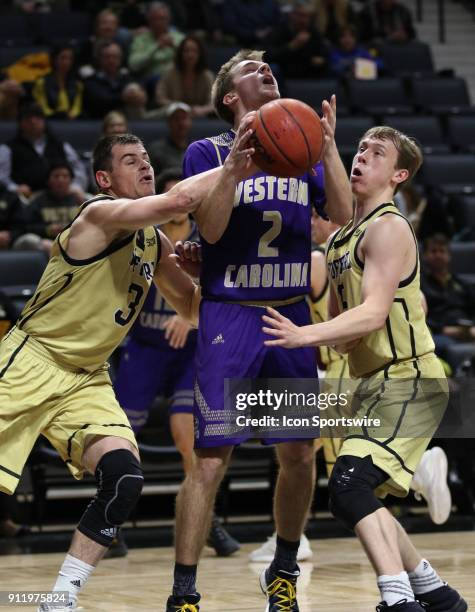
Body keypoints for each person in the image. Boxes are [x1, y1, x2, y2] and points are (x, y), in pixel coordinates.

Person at [0, 124, 257, 612]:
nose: (144, 165)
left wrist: (217, 277)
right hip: (30, 361)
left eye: (145, 156)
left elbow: (192, 308)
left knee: (124, 476)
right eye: (131, 160)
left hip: (86, 378)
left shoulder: (155, 244)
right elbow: (176, 201)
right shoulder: (97, 215)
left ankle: (60, 598)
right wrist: (236, 168)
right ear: (104, 179)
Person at [166, 49, 352, 611]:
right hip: (231, 314)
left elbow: (342, 214)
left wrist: (328, 144)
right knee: (210, 460)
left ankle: (283, 570)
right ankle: (184, 592)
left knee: (300, 454)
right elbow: (214, 230)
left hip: (290, 317)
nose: (265, 69)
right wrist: (232, 172)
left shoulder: (304, 144)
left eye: (269, 66)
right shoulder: (207, 151)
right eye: (251, 69)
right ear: (230, 96)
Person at [262, 126, 466, 611]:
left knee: (350, 485)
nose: (363, 158)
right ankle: (439, 596)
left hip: (410, 378)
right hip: (370, 382)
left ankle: (398, 601)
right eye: (360, 150)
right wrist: (329, 145)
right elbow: (351, 327)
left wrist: (303, 335)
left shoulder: (390, 227)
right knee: (357, 495)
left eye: (377, 154)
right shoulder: (341, 242)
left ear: (397, 175)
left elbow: (374, 313)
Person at [114, 167, 240, 557]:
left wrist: (187, 314)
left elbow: (223, 286)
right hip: (146, 348)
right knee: (119, 437)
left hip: (189, 350)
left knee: (188, 435)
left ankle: (208, 524)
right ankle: (111, 518)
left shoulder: (208, 236)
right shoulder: (141, 236)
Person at [0, 103, 87, 200]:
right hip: (25, 199)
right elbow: (2, 177)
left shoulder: (61, 146)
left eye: (37, 117)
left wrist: (75, 186)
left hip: (62, 195)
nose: (33, 121)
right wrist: (14, 188)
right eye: (27, 118)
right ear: (20, 123)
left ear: (44, 121)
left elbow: (79, 170)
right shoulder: (8, 148)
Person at [420, 233, 475, 367]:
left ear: (449, 255)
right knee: (437, 345)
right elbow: (422, 316)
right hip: (439, 333)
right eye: (433, 251)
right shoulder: (421, 285)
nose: (438, 255)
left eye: (442, 251)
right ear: (425, 256)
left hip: (469, 331)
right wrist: (448, 330)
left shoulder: (462, 284)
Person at [16, 162, 83, 255]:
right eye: (56, 176)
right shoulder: (38, 200)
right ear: (48, 180)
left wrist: (83, 202)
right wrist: (47, 229)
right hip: (47, 243)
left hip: (76, 241)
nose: (61, 180)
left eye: (65, 176)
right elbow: (26, 227)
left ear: (71, 180)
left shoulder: (79, 199)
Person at [266, 1, 329, 79]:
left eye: (308, 17)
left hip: (309, 70)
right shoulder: (280, 30)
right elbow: (270, 56)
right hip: (285, 71)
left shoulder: (312, 31)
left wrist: (322, 60)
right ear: (292, 15)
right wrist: (292, 46)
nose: (304, 20)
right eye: (301, 16)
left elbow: (323, 52)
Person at [155, 35, 214, 117]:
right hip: (172, 114)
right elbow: (160, 98)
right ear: (180, 53)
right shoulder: (169, 71)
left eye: (194, 51)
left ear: (200, 54)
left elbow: (213, 103)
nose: (190, 55)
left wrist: (202, 109)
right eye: (186, 51)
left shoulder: (207, 76)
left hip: (199, 116)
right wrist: (178, 107)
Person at [128, 2, 185, 82]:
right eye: (155, 19)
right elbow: (133, 65)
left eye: (162, 18)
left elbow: (190, 57)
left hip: (177, 79)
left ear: (168, 19)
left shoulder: (178, 37)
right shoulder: (140, 39)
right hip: (151, 80)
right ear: (149, 20)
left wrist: (174, 46)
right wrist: (156, 47)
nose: (158, 23)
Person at [32, 45, 83, 120]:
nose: (66, 62)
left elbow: (77, 106)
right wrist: (57, 116)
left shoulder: (77, 84)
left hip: (72, 121)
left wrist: (72, 115)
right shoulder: (42, 82)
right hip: (50, 120)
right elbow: (42, 107)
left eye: (70, 59)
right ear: (54, 59)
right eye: (63, 58)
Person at [83, 42, 132, 119]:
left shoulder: (126, 77)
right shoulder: (91, 80)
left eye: (115, 57)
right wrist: (123, 98)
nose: (111, 60)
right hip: (98, 121)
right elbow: (100, 100)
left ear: (121, 59)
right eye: (107, 57)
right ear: (100, 58)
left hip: (125, 121)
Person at [148, 102, 192, 174]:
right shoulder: (156, 149)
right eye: (176, 119)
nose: (181, 123)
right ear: (169, 122)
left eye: (184, 118)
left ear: (190, 121)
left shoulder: (198, 148)